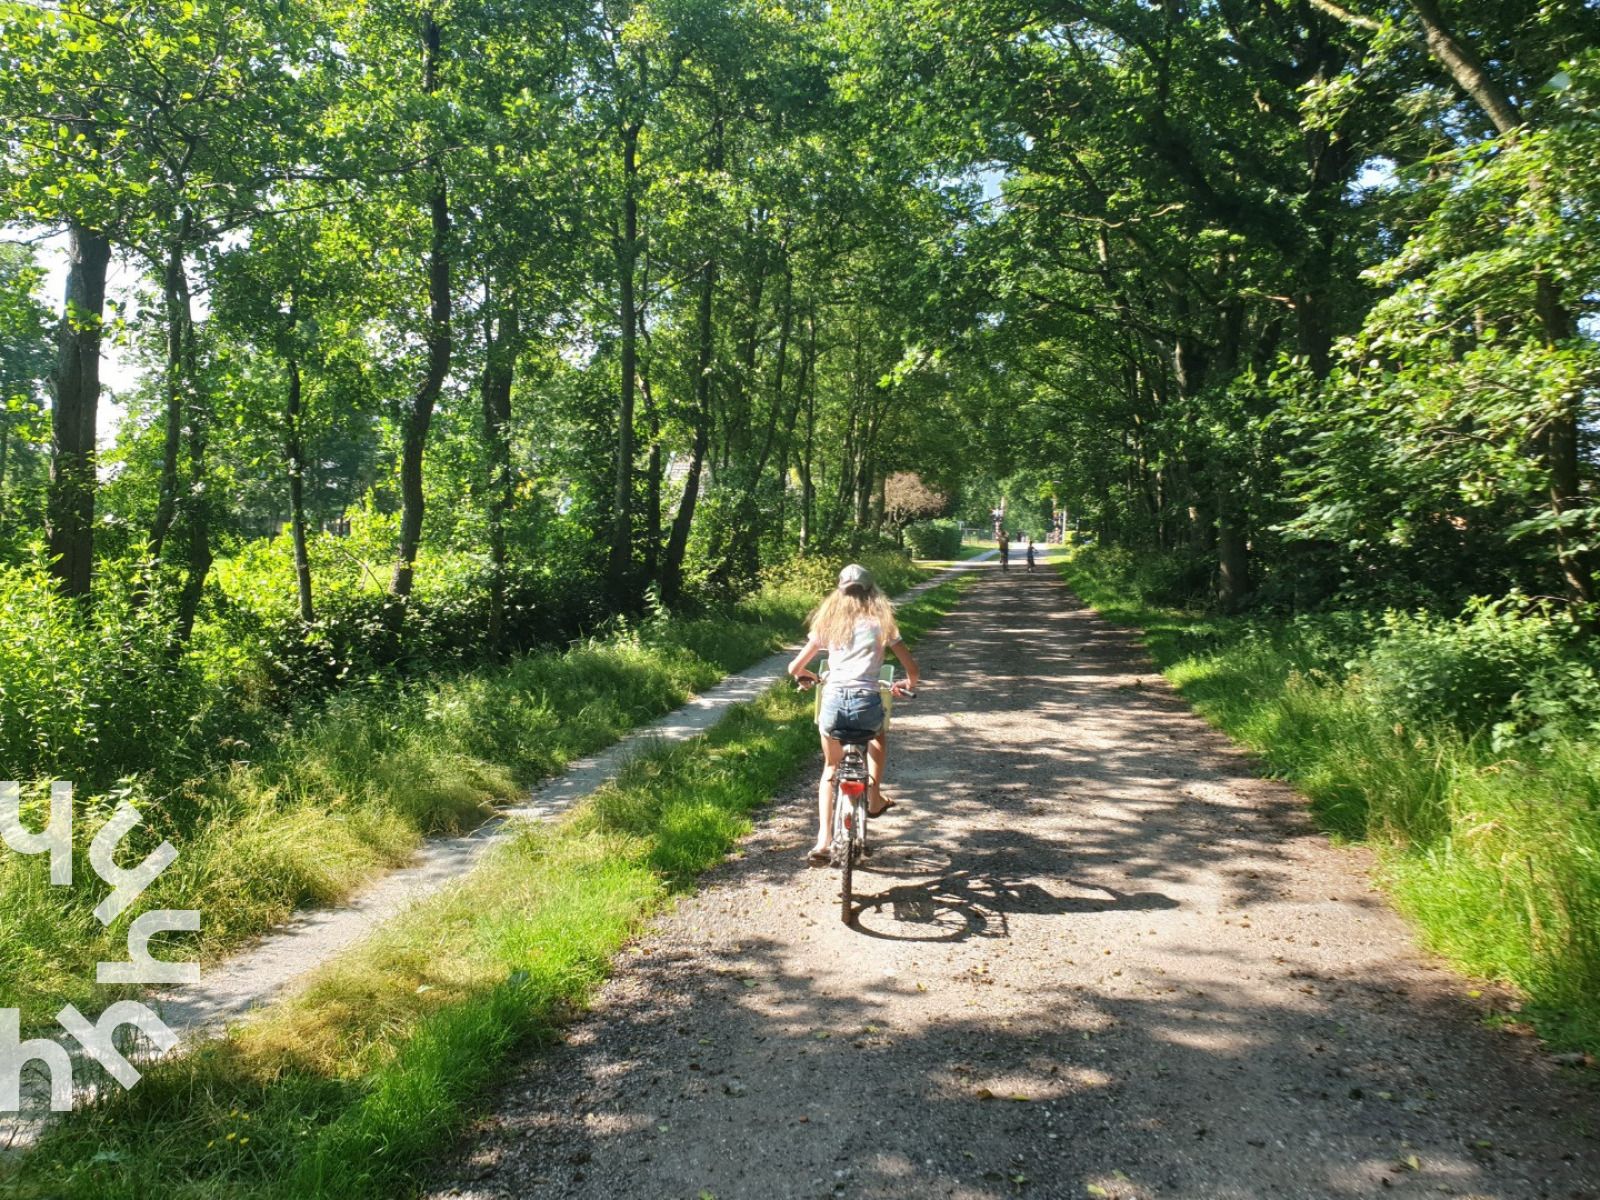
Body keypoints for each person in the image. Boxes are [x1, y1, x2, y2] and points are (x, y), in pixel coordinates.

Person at [788, 564, 920, 865]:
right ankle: (873, 798)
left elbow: (794, 668)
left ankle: (822, 841)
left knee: (831, 769)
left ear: (840, 592)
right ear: (872, 592)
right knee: (878, 736)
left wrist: (807, 677)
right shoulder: (882, 625)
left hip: (833, 702)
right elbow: (912, 669)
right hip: (867, 703)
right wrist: (907, 683)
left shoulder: (828, 625)